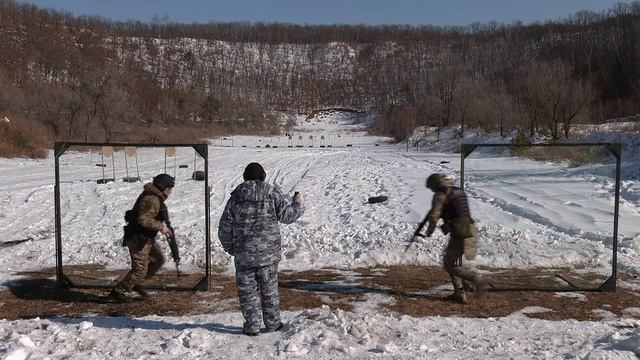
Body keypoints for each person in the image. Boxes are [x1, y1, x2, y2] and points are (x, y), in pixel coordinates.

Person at [218, 162, 304, 336]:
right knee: (270, 290)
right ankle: (273, 323)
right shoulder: (272, 194)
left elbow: (224, 228)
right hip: (268, 256)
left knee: (247, 293)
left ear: (245, 177)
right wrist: (297, 204)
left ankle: (252, 326)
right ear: (263, 176)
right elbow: (287, 216)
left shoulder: (236, 197)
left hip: (244, 256)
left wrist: (232, 248)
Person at [414, 173, 489, 304]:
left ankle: (477, 279)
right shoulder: (457, 191)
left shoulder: (440, 195)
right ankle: (459, 293)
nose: (431, 190)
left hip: (460, 232)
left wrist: (429, 231)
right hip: (469, 228)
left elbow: (434, 216)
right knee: (454, 263)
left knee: (450, 265)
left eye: (432, 188)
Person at [109, 173, 175, 302]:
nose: (170, 192)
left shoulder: (155, 197)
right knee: (139, 270)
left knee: (158, 260)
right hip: (137, 239)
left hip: (145, 238)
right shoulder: (152, 199)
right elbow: (144, 219)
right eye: (169, 188)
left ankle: (134, 283)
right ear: (163, 187)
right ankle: (119, 291)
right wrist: (161, 227)